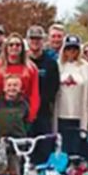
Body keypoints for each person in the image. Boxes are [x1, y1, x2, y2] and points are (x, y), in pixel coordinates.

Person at [25, 26, 60, 164]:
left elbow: (54, 88)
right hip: (25, 114)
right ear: (27, 40)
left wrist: (39, 102)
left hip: (43, 113)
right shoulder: (23, 61)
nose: (35, 42)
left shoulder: (50, 63)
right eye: (32, 38)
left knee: (44, 149)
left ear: (43, 41)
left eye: (38, 39)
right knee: (26, 151)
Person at [55, 36, 88, 156]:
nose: (71, 51)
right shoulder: (57, 65)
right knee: (62, 149)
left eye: (75, 48)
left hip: (79, 115)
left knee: (77, 150)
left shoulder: (86, 67)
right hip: (61, 114)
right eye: (68, 48)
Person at [0, 37, 40, 122]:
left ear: (22, 48)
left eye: (17, 45)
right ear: (6, 47)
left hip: (22, 111)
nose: (14, 47)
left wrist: (31, 114)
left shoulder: (31, 68)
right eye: (11, 45)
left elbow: (34, 93)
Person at [0, 75, 33, 175]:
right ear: (4, 88)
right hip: (1, 141)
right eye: (9, 85)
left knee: (16, 168)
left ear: (20, 88)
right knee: (1, 169)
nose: (12, 88)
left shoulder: (24, 105)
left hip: (18, 142)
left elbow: (27, 122)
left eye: (15, 85)